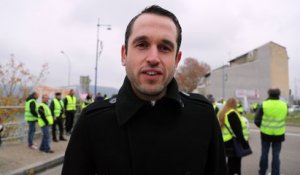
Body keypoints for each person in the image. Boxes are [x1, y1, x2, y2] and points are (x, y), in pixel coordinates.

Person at [62, 5, 227, 175]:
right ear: (124, 54)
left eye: (165, 47)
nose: (153, 58)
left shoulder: (203, 116)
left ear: (177, 59)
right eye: (142, 44)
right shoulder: (93, 122)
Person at [254, 88, 288, 175]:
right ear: (279, 94)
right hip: (279, 134)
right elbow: (285, 115)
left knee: (264, 153)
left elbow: (256, 120)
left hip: (265, 133)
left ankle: (262, 172)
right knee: (276, 155)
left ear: (269, 94)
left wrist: (262, 127)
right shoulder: (284, 105)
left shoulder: (264, 104)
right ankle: (275, 173)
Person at [218, 97, 250, 175]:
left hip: (225, 141)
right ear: (234, 104)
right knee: (235, 164)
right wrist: (244, 143)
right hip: (233, 142)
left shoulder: (221, 113)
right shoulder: (232, 114)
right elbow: (237, 131)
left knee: (230, 162)